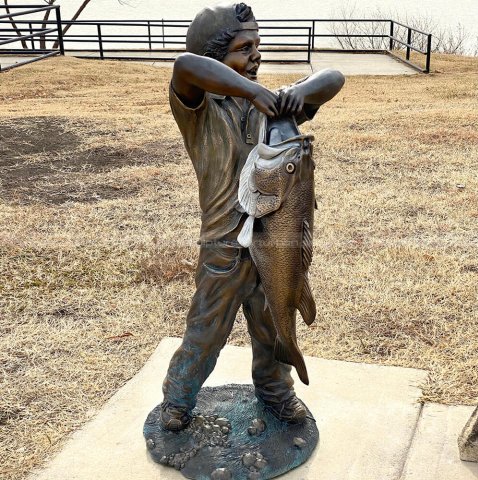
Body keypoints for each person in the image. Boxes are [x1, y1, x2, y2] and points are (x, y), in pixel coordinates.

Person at [161, 2, 345, 431]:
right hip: (224, 248)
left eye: (257, 46)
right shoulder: (199, 110)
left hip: (274, 242)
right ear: (216, 59)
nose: (256, 56)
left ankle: (276, 391)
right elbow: (185, 66)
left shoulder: (275, 112)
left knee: (271, 327)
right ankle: (178, 400)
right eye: (244, 48)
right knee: (206, 330)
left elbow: (334, 78)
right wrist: (252, 92)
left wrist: (300, 93)